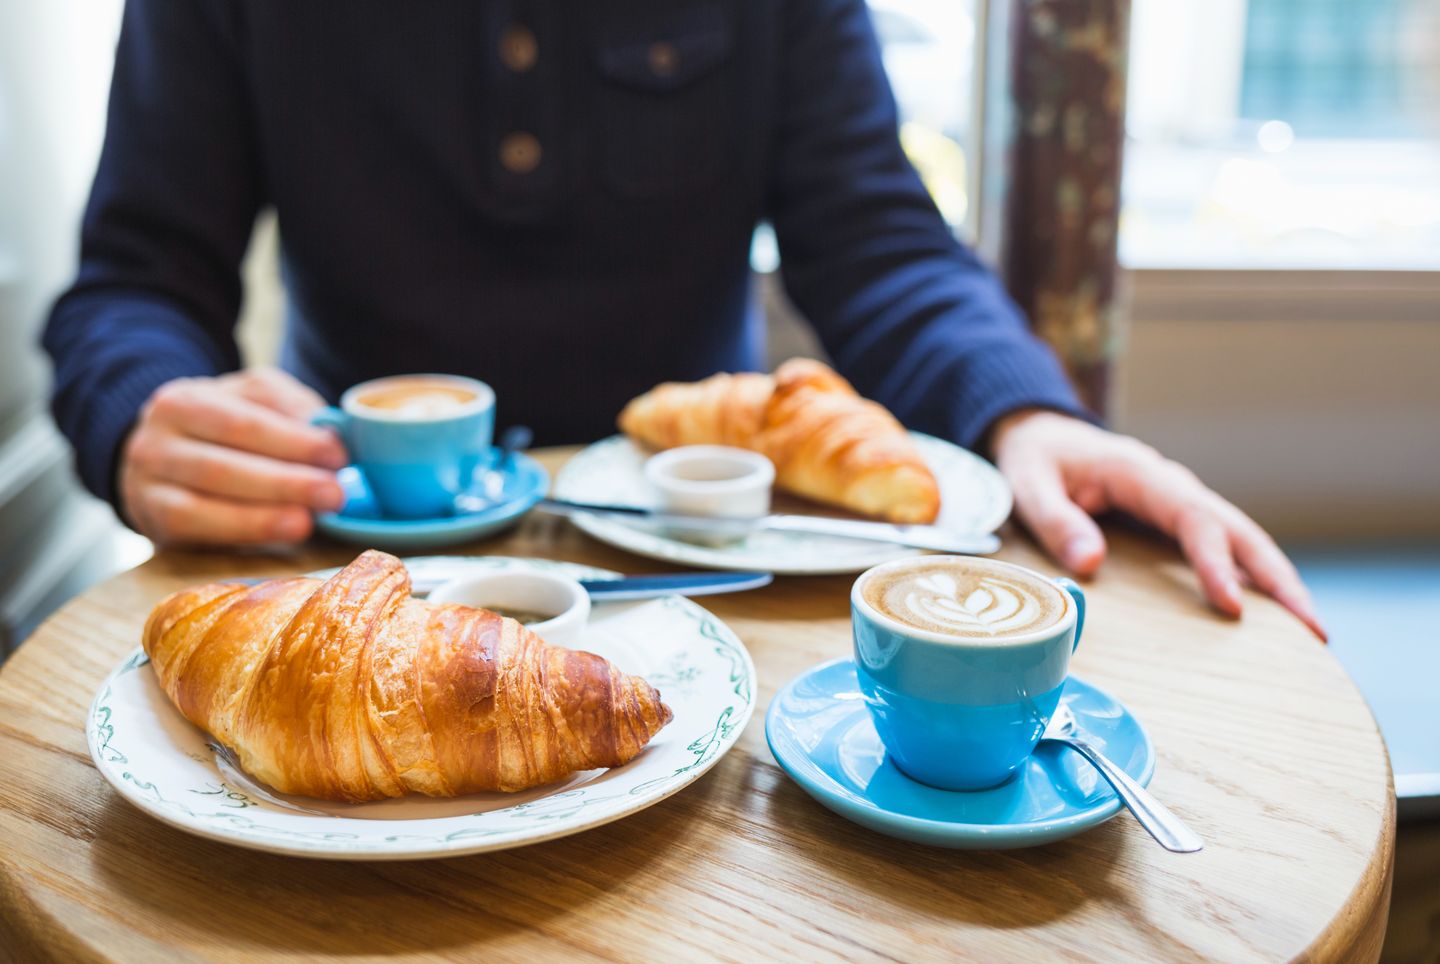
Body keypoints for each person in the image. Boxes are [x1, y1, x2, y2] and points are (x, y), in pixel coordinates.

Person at [43, 0, 1324, 639]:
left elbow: (874, 237)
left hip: (720, 588)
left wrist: (1023, 405)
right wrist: (142, 414)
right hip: (351, 569)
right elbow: (137, 282)